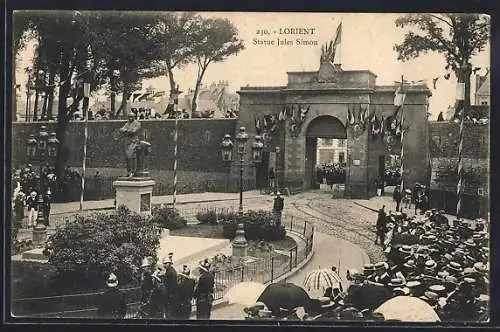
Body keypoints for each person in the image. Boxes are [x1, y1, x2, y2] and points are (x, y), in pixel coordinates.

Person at [119, 112, 142, 177]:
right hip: (127, 142)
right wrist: (128, 131)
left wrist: (126, 131)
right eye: (129, 117)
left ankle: (132, 171)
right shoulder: (127, 123)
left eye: (131, 117)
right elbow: (121, 130)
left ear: (134, 117)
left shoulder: (137, 123)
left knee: (130, 156)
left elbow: (134, 131)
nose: (130, 118)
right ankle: (128, 171)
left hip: (134, 142)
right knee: (127, 157)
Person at [160, 253, 178, 319]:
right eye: (164, 264)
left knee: (170, 315)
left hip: (170, 297)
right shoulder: (171, 271)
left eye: (165, 264)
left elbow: (170, 286)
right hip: (172, 296)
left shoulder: (170, 272)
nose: (164, 265)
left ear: (169, 263)